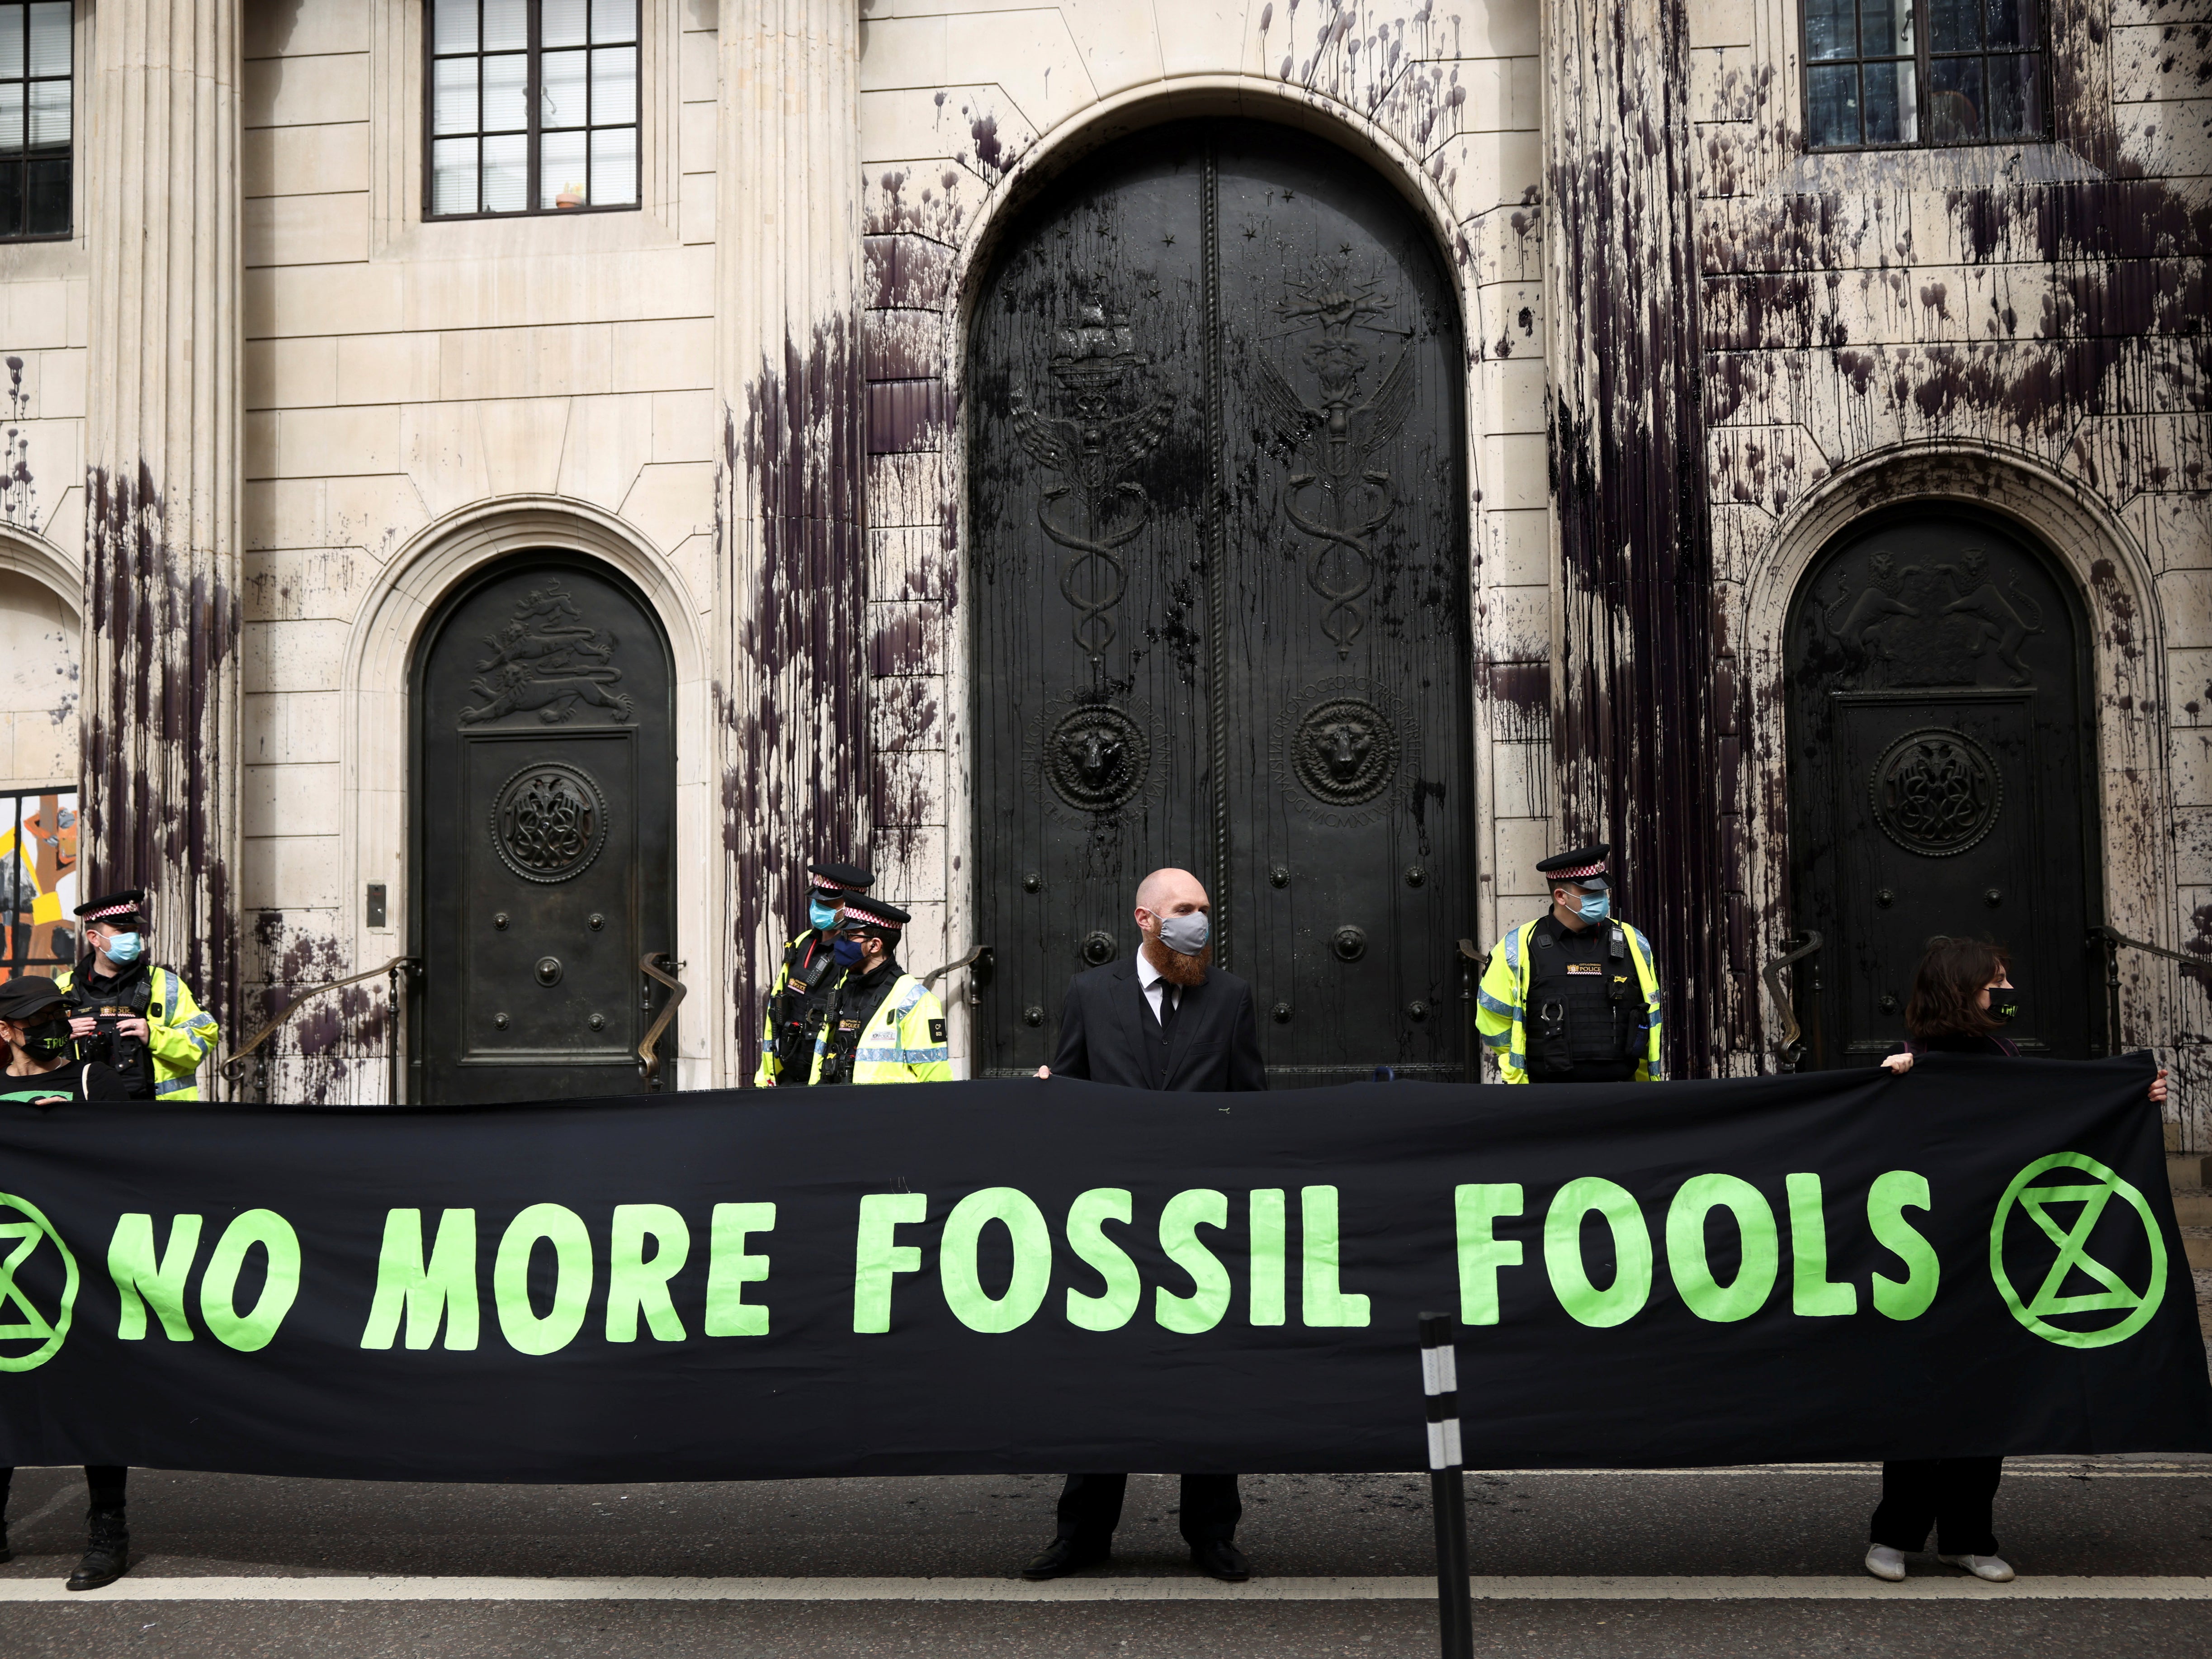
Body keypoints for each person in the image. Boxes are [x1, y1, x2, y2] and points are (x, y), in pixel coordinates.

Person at [1869, 935, 2166, 1586]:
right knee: (1920, 1403)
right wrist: (1883, 1088)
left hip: (1997, 1264)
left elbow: (2068, 1116)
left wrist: (2133, 1098)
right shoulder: (1909, 1064)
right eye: (1993, 982)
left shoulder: (2009, 1059)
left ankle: (1969, 1538)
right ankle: (1895, 1534)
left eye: (2005, 979)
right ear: (1957, 989)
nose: (2006, 992)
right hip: (1925, 1266)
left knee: (1988, 1403)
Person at [1024, 866, 1267, 1583]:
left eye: (1204, 909)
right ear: (1145, 920)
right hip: (1111, 1227)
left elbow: (1249, 1104)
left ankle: (1212, 1534)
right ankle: (1083, 1534)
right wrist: (1047, 1100)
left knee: (1208, 1379)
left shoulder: (1230, 997)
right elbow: (1068, 1089)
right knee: (1103, 1376)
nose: (1198, 921)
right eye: (1184, 909)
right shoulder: (1088, 995)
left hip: (1202, 1227)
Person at [0, 974, 133, 1590]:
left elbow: (139, 1160)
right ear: (7, 1032)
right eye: (37, 1018)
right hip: (14, 1269)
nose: (53, 1026)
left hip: (85, 1266)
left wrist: (75, 1129)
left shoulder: (90, 1081)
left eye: (59, 1013)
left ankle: (108, 1528)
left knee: (94, 1394)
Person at [1475, 843, 1662, 1084]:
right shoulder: (1518, 945)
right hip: (1547, 1096)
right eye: (1591, 893)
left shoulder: (1633, 942)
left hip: (1621, 1094)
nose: (1602, 899)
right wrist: (1517, 1067)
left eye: (1602, 892)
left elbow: (1650, 1016)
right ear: (1561, 897)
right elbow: (1492, 1019)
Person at [56, 889, 220, 1102]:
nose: (132, 937)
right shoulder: (63, 986)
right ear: (94, 938)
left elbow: (204, 1040)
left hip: (157, 1114)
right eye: (122, 930)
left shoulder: (166, 983)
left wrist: (154, 1036)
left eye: (134, 930)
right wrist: (61, 1036)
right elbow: (29, 1046)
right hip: (82, 1110)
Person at [807, 898, 950, 1085]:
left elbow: (936, 1080)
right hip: (834, 1107)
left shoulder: (917, 1001)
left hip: (888, 1112)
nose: (841, 943)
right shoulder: (843, 986)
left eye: (849, 936)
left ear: (874, 945)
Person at [757, 861, 875, 1088]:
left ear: (850, 904)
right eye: (817, 901)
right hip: (788, 1069)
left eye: (828, 902)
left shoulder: (854, 952)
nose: (819, 907)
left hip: (825, 1080)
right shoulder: (803, 942)